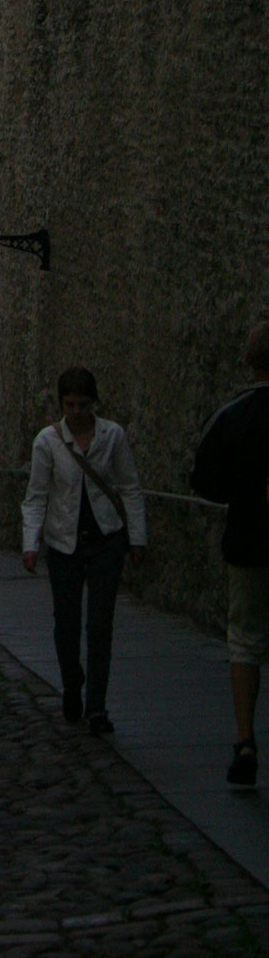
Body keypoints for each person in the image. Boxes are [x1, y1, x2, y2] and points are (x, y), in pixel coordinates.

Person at [22, 367, 147, 736]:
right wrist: (30, 544)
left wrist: (137, 538)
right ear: (62, 405)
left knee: (100, 624)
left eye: (82, 405)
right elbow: (36, 496)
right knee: (66, 623)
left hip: (106, 539)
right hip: (64, 542)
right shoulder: (48, 441)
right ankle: (72, 682)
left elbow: (129, 487)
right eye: (70, 405)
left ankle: (97, 707)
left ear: (93, 403)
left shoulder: (112, 436)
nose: (76, 412)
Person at [191, 322, 269, 791]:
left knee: (245, 640)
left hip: (248, 541)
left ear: (247, 361)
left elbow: (204, 480)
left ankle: (245, 739)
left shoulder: (232, 416)